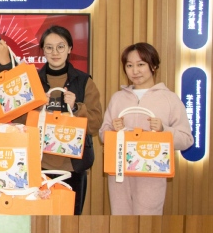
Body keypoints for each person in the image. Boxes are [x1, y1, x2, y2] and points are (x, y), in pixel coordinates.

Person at [99, 42, 194, 214]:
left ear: (154, 66)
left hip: (151, 175)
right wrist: (113, 130)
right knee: (120, 219)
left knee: (148, 220)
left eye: (141, 64)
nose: (135, 71)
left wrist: (164, 129)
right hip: (119, 174)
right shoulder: (118, 98)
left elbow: (186, 139)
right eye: (129, 65)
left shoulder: (170, 99)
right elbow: (102, 134)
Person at [37, 26, 103, 214]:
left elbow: (95, 124)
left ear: (70, 49)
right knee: (39, 217)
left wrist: (76, 107)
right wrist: (36, 107)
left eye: (60, 46)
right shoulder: (33, 80)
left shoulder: (84, 81)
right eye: (49, 47)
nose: (55, 52)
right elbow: (19, 122)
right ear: (43, 51)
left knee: (71, 220)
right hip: (39, 164)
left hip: (73, 166)